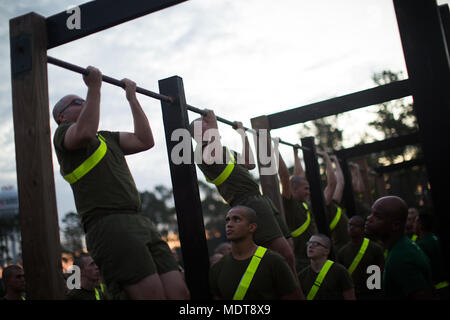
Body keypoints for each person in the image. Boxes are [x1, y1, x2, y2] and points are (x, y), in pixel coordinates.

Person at [53, 67, 189, 300]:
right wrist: (94, 88)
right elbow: (85, 132)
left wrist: (132, 98)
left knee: (180, 293)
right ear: (62, 117)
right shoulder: (64, 135)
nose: (83, 101)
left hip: (138, 220)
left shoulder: (107, 137)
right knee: (151, 296)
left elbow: (145, 140)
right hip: (108, 223)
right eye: (77, 101)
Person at [190, 110, 296, 277]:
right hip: (247, 204)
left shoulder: (226, 150)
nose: (207, 126)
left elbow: (250, 163)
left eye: (206, 123)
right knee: (284, 255)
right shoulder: (202, 153)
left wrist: (242, 134)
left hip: (260, 199)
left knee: (290, 247)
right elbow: (214, 142)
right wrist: (212, 119)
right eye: (203, 126)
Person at [209, 206, 304, 300]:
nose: (229, 224)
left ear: (251, 227)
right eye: (227, 220)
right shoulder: (218, 267)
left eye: (236, 219)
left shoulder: (274, 261)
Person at [365, 196, 434, 299]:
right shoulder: (400, 248)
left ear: (396, 225)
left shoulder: (402, 257)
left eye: (377, 216)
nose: (369, 218)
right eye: (371, 213)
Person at [277, 147, 318, 272]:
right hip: (300, 260)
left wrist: (296, 153)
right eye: (306, 189)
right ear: (294, 189)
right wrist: (274, 147)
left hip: (312, 256)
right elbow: (285, 177)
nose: (309, 192)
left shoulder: (304, 204)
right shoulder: (289, 202)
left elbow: (300, 175)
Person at [337, 216, 384, 300]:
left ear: (363, 228)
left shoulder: (375, 248)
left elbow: (380, 270)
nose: (351, 228)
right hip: (353, 293)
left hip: (371, 293)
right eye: (350, 225)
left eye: (355, 225)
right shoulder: (342, 252)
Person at [298, 234, 355, 300]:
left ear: (326, 251)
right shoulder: (302, 275)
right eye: (309, 243)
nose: (310, 246)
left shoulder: (340, 271)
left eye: (316, 244)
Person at [415, 213, 449, 299]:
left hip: (436, 290)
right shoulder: (437, 238)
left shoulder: (421, 245)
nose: (413, 225)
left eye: (415, 222)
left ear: (420, 225)